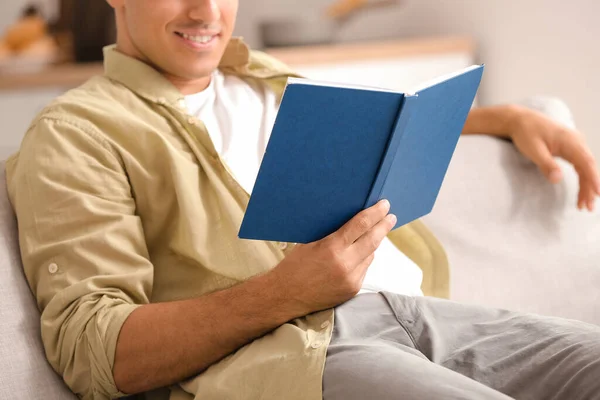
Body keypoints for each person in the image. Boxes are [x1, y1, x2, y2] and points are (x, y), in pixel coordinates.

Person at [5, 1, 600, 399]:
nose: (206, 12)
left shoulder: (259, 75)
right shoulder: (77, 132)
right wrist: (286, 292)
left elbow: (381, 128)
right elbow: (91, 349)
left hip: (417, 312)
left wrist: (507, 117)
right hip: (301, 356)